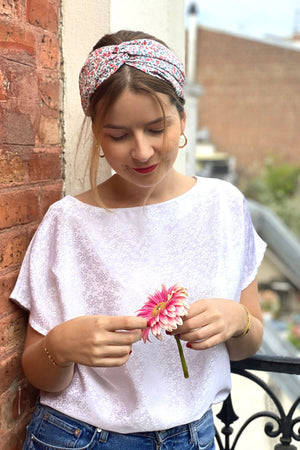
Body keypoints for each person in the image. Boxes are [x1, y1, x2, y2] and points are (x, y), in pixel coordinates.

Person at [10, 30, 266, 450]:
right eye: (119, 135)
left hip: (193, 436)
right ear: (96, 133)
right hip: (78, 437)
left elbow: (247, 344)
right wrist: (60, 346)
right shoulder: (67, 222)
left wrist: (237, 320)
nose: (142, 151)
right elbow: (40, 372)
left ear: (183, 120)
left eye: (156, 127)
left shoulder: (224, 206)